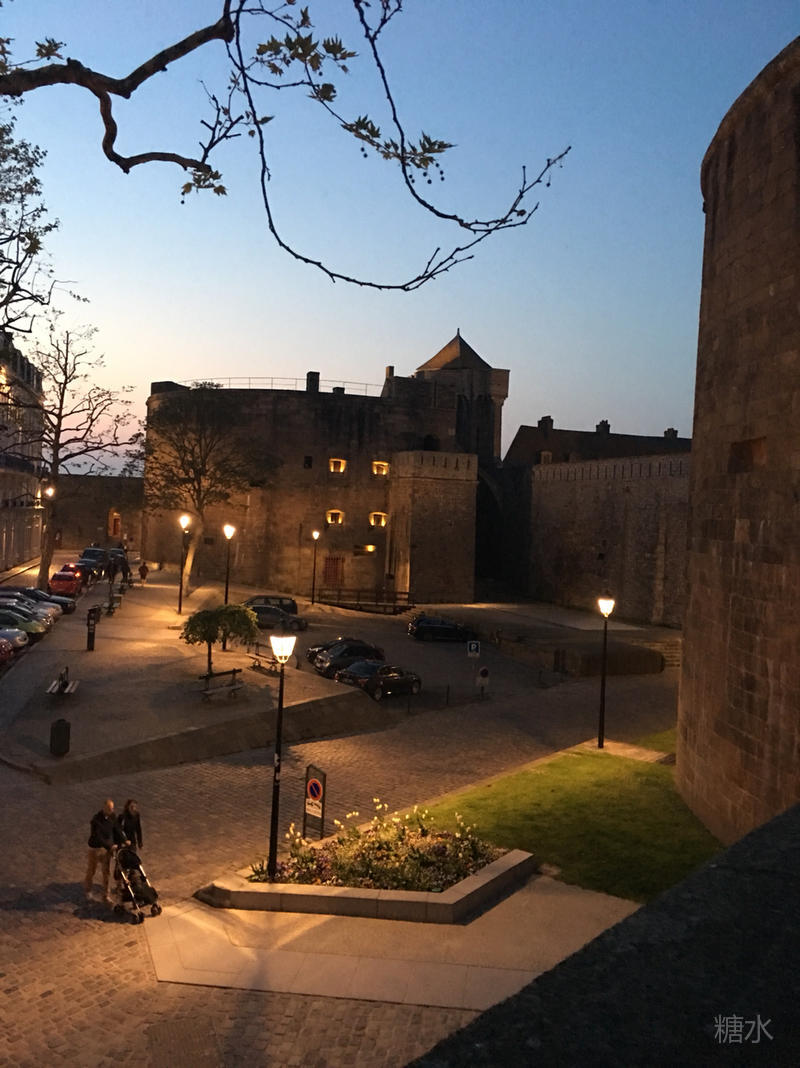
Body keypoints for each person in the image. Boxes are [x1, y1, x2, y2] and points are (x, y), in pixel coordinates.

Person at [84, 799, 123, 904]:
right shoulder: (96, 820)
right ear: (104, 808)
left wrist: (123, 840)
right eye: (109, 809)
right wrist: (109, 846)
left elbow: (117, 829)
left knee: (106, 872)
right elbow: (98, 836)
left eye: (112, 808)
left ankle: (105, 895)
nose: (111, 811)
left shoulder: (112, 817)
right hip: (95, 849)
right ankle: (88, 890)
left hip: (106, 850)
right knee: (91, 870)